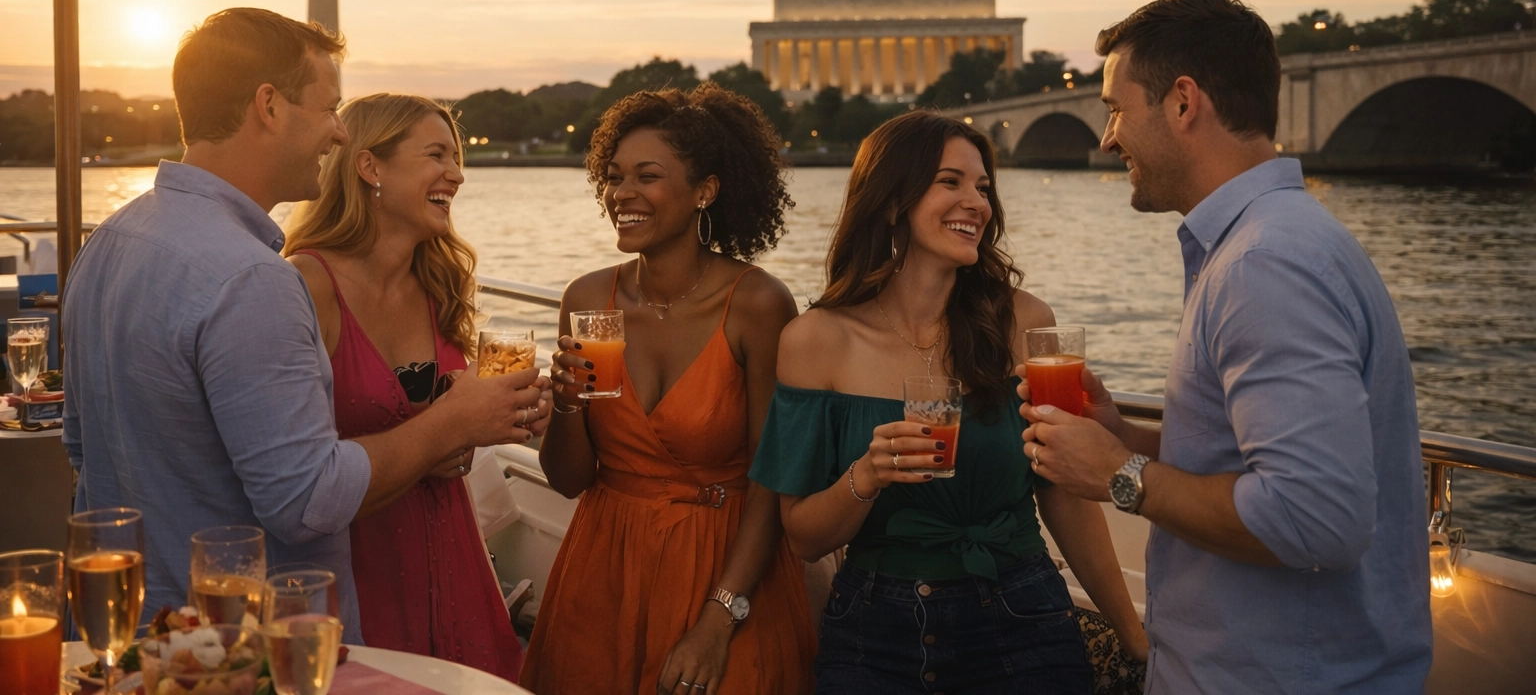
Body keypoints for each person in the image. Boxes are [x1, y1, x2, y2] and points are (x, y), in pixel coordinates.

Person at [62, 9, 544, 641]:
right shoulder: (253, 278)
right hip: (246, 646)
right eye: (328, 109)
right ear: (269, 106)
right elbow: (307, 501)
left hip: (142, 633)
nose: (339, 134)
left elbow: (81, 446)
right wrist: (455, 421)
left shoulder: (111, 240)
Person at [1020, 0, 1433, 693]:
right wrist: (1132, 438)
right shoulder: (1275, 242)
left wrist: (1122, 476)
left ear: (1184, 103)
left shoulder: (1263, 264)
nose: (1107, 139)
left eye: (1115, 108)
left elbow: (1315, 521)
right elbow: (1256, 461)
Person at [751, 111, 1146, 695]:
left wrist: (1135, 640)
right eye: (950, 182)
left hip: (1025, 618)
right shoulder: (815, 340)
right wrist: (868, 473)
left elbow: (1061, 491)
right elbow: (804, 537)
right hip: (874, 634)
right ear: (891, 201)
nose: (977, 203)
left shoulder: (1025, 323)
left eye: (983, 187)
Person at [522, 84, 817, 695]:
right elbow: (570, 479)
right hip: (603, 570)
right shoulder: (586, 299)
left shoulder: (758, 306)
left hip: (727, 568)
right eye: (613, 176)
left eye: (646, 176)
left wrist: (718, 619)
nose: (621, 194)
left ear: (704, 190)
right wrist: (569, 407)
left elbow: (773, 480)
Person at [283, 93, 545, 680]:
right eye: (436, 155)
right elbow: (293, 467)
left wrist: (512, 412)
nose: (456, 173)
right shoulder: (305, 285)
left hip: (453, 555)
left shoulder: (440, 285)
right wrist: (444, 431)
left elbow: (455, 430)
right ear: (370, 166)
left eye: (457, 158)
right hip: (359, 568)